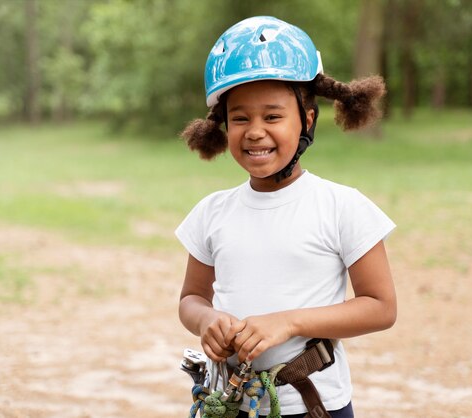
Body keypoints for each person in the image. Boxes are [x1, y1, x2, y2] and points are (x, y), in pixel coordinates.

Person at [176, 16, 397, 418]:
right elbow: (191, 299)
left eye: (273, 117)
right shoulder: (212, 212)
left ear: (307, 120)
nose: (255, 131)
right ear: (224, 126)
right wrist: (207, 319)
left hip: (313, 405)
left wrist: (290, 323)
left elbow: (381, 306)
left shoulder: (341, 206)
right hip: (229, 404)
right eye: (240, 118)